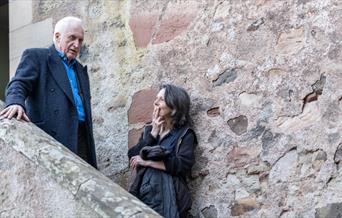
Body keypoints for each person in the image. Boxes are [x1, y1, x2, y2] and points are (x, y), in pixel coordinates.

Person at [0, 16, 97, 168]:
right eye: (72, 38)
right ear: (57, 36)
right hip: (54, 135)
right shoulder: (37, 57)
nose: (77, 45)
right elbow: (19, 82)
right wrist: (15, 102)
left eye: (80, 40)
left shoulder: (80, 69)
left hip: (82, 137)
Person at [128, 84, 197, 218]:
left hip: (172, 196)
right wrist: (153, 134)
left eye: (161, 99)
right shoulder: (149, 131)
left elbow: (183, 164)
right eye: (156, 98)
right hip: (146, 195)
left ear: (174, 106)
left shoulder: (184, 134)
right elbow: (132, 156)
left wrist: (148, 163)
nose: (155, 102)